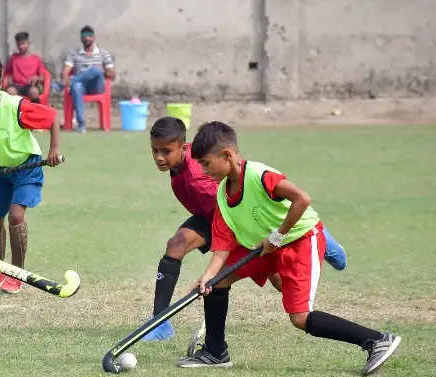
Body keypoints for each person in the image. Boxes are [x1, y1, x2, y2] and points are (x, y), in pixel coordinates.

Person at [179, 121, 400, 375]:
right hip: (265, 246)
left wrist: (279, 235)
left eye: (206, 164)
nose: (204, 171)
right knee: (219, 280)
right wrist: (206, 277)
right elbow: (222, 247)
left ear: (227, 155)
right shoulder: (222, 194)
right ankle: (215, 353)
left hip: (299, 239)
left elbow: (302, 198)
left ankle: (377, 340)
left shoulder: (259, 175)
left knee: (300, 317)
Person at [143, 117, 348, 341]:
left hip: (234, 221)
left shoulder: (199, 174)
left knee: (281, 282)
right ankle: (160, 323)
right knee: (177, 244)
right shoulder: (191, 156)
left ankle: (320, 238)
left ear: (182, 148)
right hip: (210, 217)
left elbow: (243, 199)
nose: (159, 157)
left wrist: (258, 237)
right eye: (155, 151)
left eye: (166, 151)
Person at [0, 55, 63, 293]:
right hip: (1, 170)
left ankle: (18, 274)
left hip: (27, 166)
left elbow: (53, 117)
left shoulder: (16, 105)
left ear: (1, 81)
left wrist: (54, 149)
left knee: (15, 216)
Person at [62, 25, 115, 133]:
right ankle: (81, 125)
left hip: (97, 86)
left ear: (94, 37)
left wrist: (105, 72)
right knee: (76, 87)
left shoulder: (103, 53)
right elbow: (65, 71)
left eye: (89, 35)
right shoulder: (74, 53)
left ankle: (63, 84)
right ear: (81, 38)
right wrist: (65, 78)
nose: (87, 37)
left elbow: (113, 75)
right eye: (84, 35)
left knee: (95, 70)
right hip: (81, 86)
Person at [4, 31, 45, 103]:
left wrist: (37, 78)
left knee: (34, 92)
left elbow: (42, 77)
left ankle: (35, 112)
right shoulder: (13, 58)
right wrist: (4, 82)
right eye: (18, 44)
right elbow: (6, 73)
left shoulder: (36, 59)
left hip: (30, 86)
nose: (21, 47)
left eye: (23, 44)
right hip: (16, 85)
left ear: (28, 43)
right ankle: (14, 113)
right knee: (10, 91)